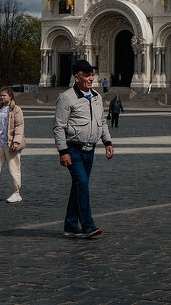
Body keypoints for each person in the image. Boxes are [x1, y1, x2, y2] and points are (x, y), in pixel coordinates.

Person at [52, 59, 114, 239]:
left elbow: (101, 121)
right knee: (82, 184)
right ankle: (88, 225)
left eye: (91, 75)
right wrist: (63, 151)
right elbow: (58, 126)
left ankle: (71, 225)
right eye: (87, 75)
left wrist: (107, 142)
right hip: (73, 149)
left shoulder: (96, 96)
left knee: (79, 186)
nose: (91, 78)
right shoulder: (66, 97)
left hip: (90, 149)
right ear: (77, 78)